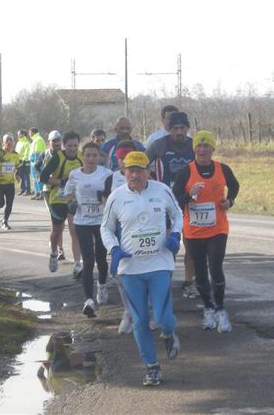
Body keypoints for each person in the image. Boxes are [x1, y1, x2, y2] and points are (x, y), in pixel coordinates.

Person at [101, 151, 183, 386]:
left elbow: (178, 215)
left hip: (159, 264)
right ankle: (152, 366)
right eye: (130, 170)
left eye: (140, 170)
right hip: (130, 268)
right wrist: (114, 249)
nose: (135, 174)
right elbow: (105, 228)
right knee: (139, 320)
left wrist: (176, 234)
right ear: (124, 172)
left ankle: (168, 333)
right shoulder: (117, 197)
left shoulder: (162, 190)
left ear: (149, 171)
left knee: (163, 318)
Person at [173, 131, 239, 333]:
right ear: (194, 150)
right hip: (193, 231)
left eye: (206, 146)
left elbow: (234, 186)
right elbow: (175, 200)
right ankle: (208, 308)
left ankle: (220, 309)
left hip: (218, 228)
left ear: (212, 149)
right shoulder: (186, 171)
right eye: (199, 147)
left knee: (216, 267)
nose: (202, 150)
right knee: (201, 271)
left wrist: (229, 201)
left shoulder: (222, 169)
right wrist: (190, 194)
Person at [146, 111, 198, 299]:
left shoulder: (194, 146)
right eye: (175, 128)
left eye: (182, 128)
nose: (178, 132)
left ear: (187, 129)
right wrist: (150, 185)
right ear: (169, 129)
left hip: (190, 201)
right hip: (165, 202)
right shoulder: (159, 145)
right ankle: (164, 281)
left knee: (191, 246)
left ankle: (188, 282)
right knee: (168, 245)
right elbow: (142, 165)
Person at [64, 141, 112, 318]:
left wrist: (104, 197)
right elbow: (67, 191)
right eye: (88, 155)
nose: (91, 159)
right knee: (88, 260)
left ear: (99, 157)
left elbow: (112, 193)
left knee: (101, 258)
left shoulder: (107, 173)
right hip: (82, 221)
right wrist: (71, 203)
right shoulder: (75, 174)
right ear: (82, 157)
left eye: (94, 155)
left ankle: (101, 284)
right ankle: (89, 301)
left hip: (101, 221)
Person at [102, 139, 139, 334]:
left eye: (129, 157)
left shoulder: (147, 177)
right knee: (122, 276)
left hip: (142, 232)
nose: (125, 162)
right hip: (120, 234)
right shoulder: (111, 178)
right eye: (121, 158)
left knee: (146, 274)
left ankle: (145, 312)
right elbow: (106, 208)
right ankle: (128, 312)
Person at [40, 131, 83, 276]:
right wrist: (61, 182)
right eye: (69, 146)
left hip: (73, 200)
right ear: (64, 145)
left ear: (78, 145)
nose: (72, 149)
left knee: (74, 232)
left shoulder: (81, 157)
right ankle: (53, 253)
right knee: (57, 232)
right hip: (57, 199)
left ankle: (77, 264)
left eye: (75, 145)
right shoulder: (58, 157)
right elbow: (43, 177)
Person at [35, 130, 65, 258]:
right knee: (57, 220)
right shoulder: (45, 154)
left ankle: (57, 245)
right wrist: (41, 175)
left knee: (62, 222)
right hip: (48, 190)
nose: (56, 143)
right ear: (49, 142)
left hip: (63, 190)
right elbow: (36, 166)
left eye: (58, 140)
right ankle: (59, 248)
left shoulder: (65, 154)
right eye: (53, 141)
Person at [0, 133, 21, 230]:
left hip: (10, 183)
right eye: (7, 141)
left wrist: (17, 175)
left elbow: (18, 167)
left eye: (11, 140)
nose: (9, 142)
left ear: (13, 143)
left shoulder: (15, 155)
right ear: (3, 142)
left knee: (9, 204)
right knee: (1, 204)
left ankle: (4, 221)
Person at [28, 127, 46, 200]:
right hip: (32, 162)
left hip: (37, 162)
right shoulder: (34, 140)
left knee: (39, 178)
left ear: (33, 132)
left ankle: (42, 193)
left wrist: (36, 161)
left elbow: (39, 152)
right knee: (35, 178)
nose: (29, 134)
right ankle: (37, 193)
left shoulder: (39, 139)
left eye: (29, 132)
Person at [15, 130, 31, 196]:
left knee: (26, 176)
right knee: (21, 175)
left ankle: (27, 190)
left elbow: (27, 152)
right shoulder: (18, 142)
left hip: (25, 161)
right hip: (18, 161)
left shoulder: (26, 142)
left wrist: (24, 161)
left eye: (19, 134)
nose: (18, 135)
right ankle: (22, 189)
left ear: (23, 134)